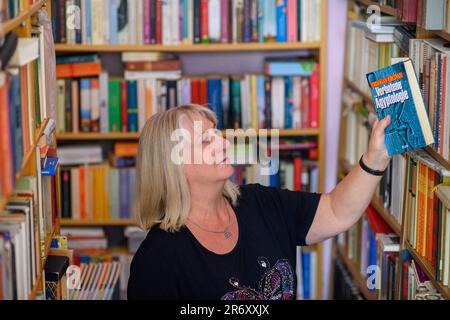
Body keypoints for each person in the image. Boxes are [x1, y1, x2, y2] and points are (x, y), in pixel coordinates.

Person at [127, 104, 391, 300]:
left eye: (217, 133)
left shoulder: (260, 203)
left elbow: (336, 211)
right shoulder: (156, 260)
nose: (222, 143)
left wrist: (375, 158)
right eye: (205, 140)